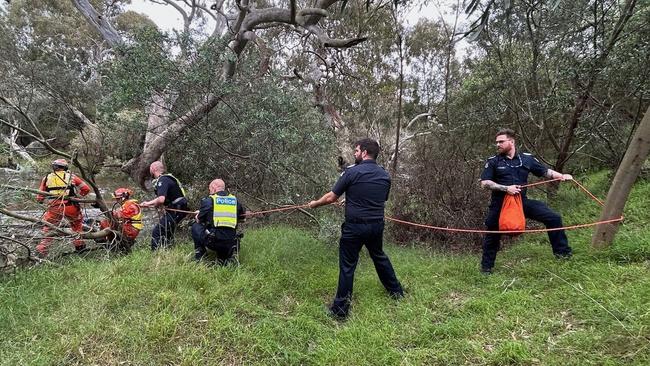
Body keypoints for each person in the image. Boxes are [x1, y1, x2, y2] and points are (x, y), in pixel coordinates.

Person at [308, 138, 404, 320]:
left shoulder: (351, 172)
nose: (354, 153)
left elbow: (331, 198)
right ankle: (397, 292)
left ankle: (340, 310)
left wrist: (315, 204)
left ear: (365, 152)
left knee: (347, 266)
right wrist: (351, 199)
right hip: (376, 226)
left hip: (355, 227)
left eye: (357, 150)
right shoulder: (384, 175)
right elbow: (377, 199)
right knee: (379, 256)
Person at [479, 128, 573, 274]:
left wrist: (562, 176)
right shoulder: (493, 162)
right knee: (492, 235)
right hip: (500, 204)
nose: (498, 145)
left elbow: (545, 172)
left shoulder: (526, 159)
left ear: (511, 141)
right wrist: (506, 188)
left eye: (501, 142)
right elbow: (485, 183)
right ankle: (486, 269)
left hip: (521, 202)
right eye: (496, 142)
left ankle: (563, 255)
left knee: (553, 218)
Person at [36, 158, 90, 256]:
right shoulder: (72, 177)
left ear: (54, 167)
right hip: (71, 206)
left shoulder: (47, 178)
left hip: (54, 207)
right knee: (76, 227)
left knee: (49, 228)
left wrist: (41, 201)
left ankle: (42, 250)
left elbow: (39, 197)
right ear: (65, 167)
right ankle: (80, 249)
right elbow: (86, 189)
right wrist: (79, 197)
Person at [191, 179, 246, 265]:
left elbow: (199, 220)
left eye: (209, 189)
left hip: (214, 241)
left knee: (195, 226)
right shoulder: (235, 201)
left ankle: (200, 255)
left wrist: (198, 214)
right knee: (223, 260)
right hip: (230, 241)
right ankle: (228, 256)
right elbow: (242, 219)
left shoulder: (209, 201)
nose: (209, 192)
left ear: (214, 187)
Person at [140, 161, 189, 250]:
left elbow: (161, 199)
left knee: (157, 232)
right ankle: (168, 251)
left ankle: (155, 255)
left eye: (150, 168)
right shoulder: (168, 178)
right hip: (177, 208)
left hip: (176, 210)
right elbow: (165, 198)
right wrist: (155, 204)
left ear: (154, 169)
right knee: (167, 231)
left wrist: (147, 203)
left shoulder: (163, 180)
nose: (149, 171)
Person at [98, 188, 143, 252]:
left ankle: (106, 241)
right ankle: (110, 242)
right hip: (130, 228)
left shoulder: (130, 205)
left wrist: (102, 208)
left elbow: (117, 215)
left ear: (123, 198)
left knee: (105, 223)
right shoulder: (128, 204)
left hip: (130, 230)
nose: (117, 201)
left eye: (118, 199)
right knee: (109, 223)